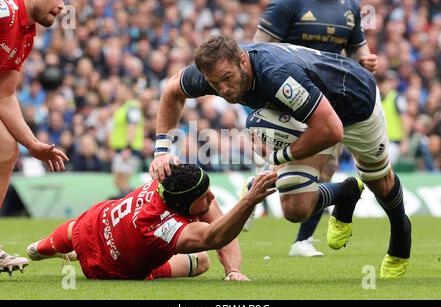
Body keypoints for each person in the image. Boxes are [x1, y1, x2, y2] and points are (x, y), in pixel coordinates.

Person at [150, 35, 411, 278]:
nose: (224, 90)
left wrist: (280, 157)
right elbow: (172, 90)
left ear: (243, 61)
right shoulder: (216, 69)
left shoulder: (276, 75)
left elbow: (332, 130)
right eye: (214, 84)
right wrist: (162, 151)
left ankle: (401, 233)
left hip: (353, 103)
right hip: (307, 115)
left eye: (227, 78)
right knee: (295, 209)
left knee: (379, 181)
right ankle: (345, 193)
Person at [252, 0, 379, 257]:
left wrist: (366, 61)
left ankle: (303, 239)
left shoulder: (351, 7)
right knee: (300, 168)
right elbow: (257, 50)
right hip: (290, 96)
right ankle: (258, 185)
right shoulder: (287, 5)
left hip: (331, 98)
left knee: (326, 169)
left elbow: (358, 51)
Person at [27, 164, 277, 280]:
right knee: (201, 261)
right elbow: (214, 236)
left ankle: (40, 248)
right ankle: (50, 250)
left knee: (76, 229)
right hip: (108, 268)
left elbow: (219, 224)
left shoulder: (169, 182)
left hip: (95, 222)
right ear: (185, 205)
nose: (212, 198)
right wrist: (250, 200)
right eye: (205, 197)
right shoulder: (161, 227)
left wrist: (233, 271)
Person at [0, 0, 69, 275]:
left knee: (7, 149)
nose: (62, 7)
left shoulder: (26, 35)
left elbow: (4, 95)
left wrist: (32, 144)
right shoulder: (5, 12)